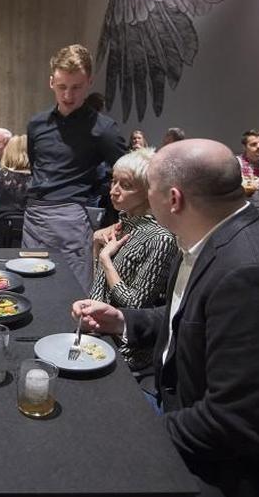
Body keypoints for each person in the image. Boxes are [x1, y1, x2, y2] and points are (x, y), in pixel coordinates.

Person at [72, 139, 259, 497]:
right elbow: (194, 318)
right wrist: (123, 320)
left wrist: (133, 434)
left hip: (258, 470)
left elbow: (235, 424)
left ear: (173, 200)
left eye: (150, 191)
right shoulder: (211, 236)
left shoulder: (254, 276)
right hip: (191, 412)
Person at [24, 44, 127, 289]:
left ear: (89, 82)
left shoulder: (104, 128)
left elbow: (127, 172)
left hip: (72, 216)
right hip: (33, 215)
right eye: (62, 87)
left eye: (76, 87)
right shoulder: (36, 124)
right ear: (51, 82)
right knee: (33, 286)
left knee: (74, 290)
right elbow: (35, 167)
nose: (68, 96)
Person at [89, 149, 177, 370]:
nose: (114, 191)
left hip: (125, 351)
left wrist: (106, 261)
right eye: (113, 181)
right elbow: (99, 286)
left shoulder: (160, 238)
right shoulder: (122, 224)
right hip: (97, 332)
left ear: (149, 192)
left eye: (126, 185)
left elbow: (136, 306)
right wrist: (96, 245)